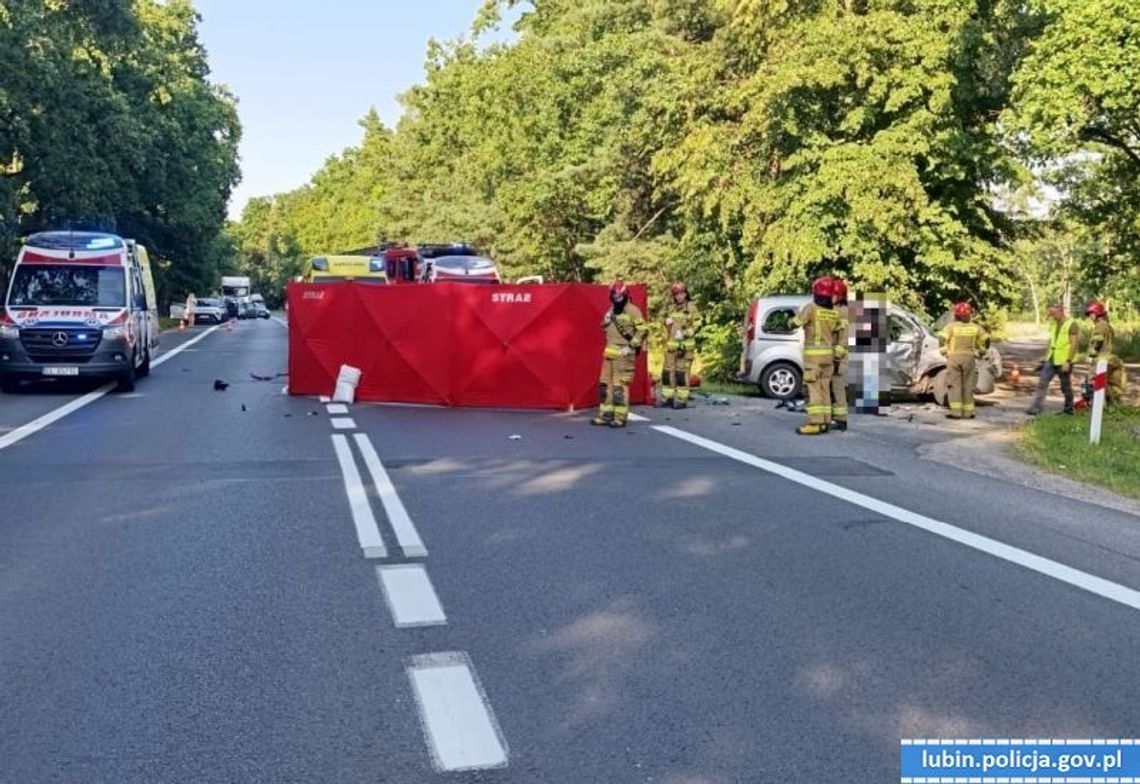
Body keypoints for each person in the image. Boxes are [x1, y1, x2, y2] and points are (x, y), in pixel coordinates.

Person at [593, 280, 647, 428]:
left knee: (619, 388)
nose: (618, 300)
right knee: (605, 386)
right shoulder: (611, 310)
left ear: (625, 295)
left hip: (624, 355)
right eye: (615, 298)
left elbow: (643, 330)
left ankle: (620, 417)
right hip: (609, 354)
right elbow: (605, 327)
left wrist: (631, 346)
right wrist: (604, 323)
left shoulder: (632, 310)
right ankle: (605, 415)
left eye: (620, 297)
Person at [793, 276, 843, 435]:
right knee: (825, 390)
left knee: (813, 389)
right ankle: (825, 422)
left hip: (813, 358)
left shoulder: (811, 308)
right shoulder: (834, 312)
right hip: (828, 357)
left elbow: (797, 322)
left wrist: (788, 321)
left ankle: (814, 423)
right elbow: (838, 331)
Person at [1027, 303, 1079, 416]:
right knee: (1042, 382)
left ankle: (1068, 410)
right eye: (1051, 314)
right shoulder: (1054, 324)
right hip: (1051, 358)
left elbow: (1074, 344)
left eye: (1054, 313)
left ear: (1061, 311)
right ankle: (1036, 408)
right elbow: (1051, 341)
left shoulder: (1072, 324)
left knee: (1065, 386)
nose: (1052, 316)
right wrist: (1045, 357)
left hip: (1064, 360)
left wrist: (1068, 361)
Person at [939, 302, 987, 419]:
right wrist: (981, 351)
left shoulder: (950, 327)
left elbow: (941, 338)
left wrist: (944, 352)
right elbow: (986, 340)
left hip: (954, 358)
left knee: (954, 385)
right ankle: (968, 413)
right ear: (970, 314)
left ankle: (956, 413)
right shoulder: (976, 328)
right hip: (969, 358)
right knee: (968, 385)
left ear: (956, 315)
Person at [661, 281, 700, 409]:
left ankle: (681, 400)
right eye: (676, 294)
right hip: (671, 348)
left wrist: (685, 333)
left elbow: (698, 324)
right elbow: (665, 327)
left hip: (685, 348)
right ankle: (668, 398)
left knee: (681, 375)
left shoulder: (691, 307)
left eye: (681, 293)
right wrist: (666, 322)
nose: (679, 296)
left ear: (686, 293)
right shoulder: (671, 308)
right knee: (667, 374)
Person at [1086, 300, 1125, 405]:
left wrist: (1091, 354)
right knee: (1109, 384)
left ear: (1097, 313)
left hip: (1101, 359)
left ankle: (1097, 406)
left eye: (1091, 314)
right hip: (1110, 359)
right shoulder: (1108, 326)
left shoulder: (1100, 326)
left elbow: (1097, 340)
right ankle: (1114, 405)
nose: (1090, 316)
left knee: (1093, 382)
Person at [830, 278, 850, 431]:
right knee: (832, 388)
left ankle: (840, 420)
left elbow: (843, 338)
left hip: (839, 358)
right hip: (833, 357)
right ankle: (834, 417)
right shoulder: (836, 311)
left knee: (838, 388)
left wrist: (837, 357)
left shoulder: (841, 312)